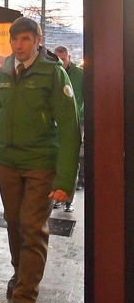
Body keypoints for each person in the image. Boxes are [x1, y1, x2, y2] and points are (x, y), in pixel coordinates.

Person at [0, 17, 80, 303]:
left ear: (37, 40)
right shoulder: (2, 72)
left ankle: (25, 298)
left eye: (25, 39)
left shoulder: (53, 73)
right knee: (13, 220)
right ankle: (20, 272)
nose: (19, 45)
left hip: (41, 163)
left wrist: (66, 179)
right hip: (8, 163)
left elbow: (70, 129)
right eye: (15, 40)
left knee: (32, 225)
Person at [54, 45, 85, 211]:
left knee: (72, 158)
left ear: (69, 58)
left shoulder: (79, 74)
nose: (61, 63)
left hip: (76, 121)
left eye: (63, 60)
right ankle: (57, 195)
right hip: (56, 123)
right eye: (58, 59)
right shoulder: (54, 73)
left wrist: (82, 114)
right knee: (58, 158)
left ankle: (68, 199)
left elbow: (88, 95)